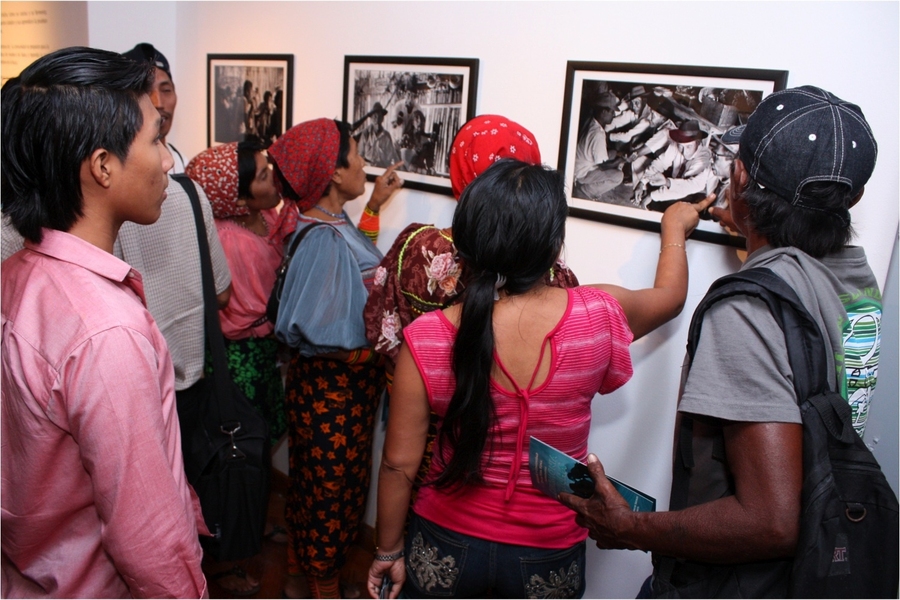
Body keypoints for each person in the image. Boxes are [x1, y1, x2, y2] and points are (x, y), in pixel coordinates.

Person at [559, 85, 881, 598]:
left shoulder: (748, 309)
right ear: (852, 198)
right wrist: (754, 227)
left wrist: (628, 528)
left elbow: (771, 520)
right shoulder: (859, 281)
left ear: (741, 176)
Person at [366, 158, 714, 599]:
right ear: (554, 249)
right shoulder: (598, 315)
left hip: (445, 541)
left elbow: (398, 465)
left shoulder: (427, 338)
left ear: (464, 245)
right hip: (547, 550)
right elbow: (670, 297)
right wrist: (674, 231)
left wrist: (387, 550)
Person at [1, 46, 207, 598]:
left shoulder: (17, 275)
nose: (168, 161)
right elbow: (150, 543)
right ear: (103, 165)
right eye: (155, 140)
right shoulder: (106, 332)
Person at [363, 114, 580, 492]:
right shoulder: (545, 270)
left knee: (422, 524)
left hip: (419, 435)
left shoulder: (414, 247)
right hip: (499, 450)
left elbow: (383, 334)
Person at [268, 118, 404, 599]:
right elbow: (323, 333)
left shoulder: (328, 222)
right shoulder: (322, 239)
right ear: (331, 172)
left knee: (315, 483)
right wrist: (382, 354)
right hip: (334, 394)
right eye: (356, 154)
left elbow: (356, 267)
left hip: (335, 394)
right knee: (331, 493)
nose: (364, 162)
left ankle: (295, 573)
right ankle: (322, 587)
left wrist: (374, 205)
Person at [185, 140, 298, 596]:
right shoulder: (227, 240)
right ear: (237, 195)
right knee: (238, 452)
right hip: (237, 359)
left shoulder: (264, 217)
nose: (275, 179)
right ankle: (229, 555)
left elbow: (283, 222)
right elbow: (244, 300)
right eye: (264, 174)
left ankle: (252, 523)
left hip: (260, 351)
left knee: (261, 442)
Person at [123, 43, 186, 173]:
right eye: (146, 91)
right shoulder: (119, 169)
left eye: (166, 90)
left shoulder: (182, 163)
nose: (158, 103)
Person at [635, 119, 714, 212]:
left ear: (698, 142)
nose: (684, 151)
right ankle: (645, 198)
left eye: (689, 146)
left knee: (667, 206)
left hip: (692, 193)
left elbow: (686, 187)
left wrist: (653, 195)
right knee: (641, 170)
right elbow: (661, 163)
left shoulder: (703, 158)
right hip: (672, 182)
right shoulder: (677, 144)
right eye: (681, 146)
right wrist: (642, 183)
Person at [573, 92, 625, 200]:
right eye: (612, 112)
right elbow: (603, 166)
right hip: (582, 173)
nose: (614, 115)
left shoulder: (592, 122)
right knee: (618, 176)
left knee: (612, 154)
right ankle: (587, 191)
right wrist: (622, 159)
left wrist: (615, 155)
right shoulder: (598, 135)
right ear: (604, 111)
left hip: (579, 164)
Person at [358, 102, 401, 168]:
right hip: (368, 168)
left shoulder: (387, 136)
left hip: (382, 169)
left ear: (383, 119)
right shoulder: (365, 134)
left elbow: (393, 156)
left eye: (379, 116)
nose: (377, 118)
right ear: (371, 118)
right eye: (375, 116)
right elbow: (359, 156)